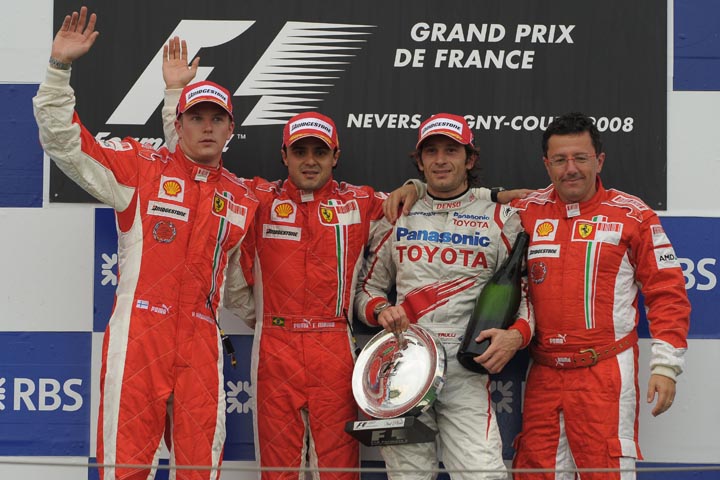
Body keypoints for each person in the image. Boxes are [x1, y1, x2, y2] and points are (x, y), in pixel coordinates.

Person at [33, 7, 258, 480]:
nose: (207, 127)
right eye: (196, 117)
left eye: (217, 119)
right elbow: (66, 145)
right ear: (181, 122)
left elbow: (242, 286)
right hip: (139, 336)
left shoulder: (242, 198)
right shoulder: (141, 170)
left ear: (230, 128)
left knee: (200, 472)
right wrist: (59, 69)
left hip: (201, 344)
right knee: (124, 468)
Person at [509, 112, 691, 479]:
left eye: (581, 158)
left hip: (605, 371)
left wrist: (666, 366)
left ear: (600, 160)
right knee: (535, 472)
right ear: (546, 164)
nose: (570, 169)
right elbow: (464, 207)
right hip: (544, 372)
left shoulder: (634, 215)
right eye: (560, 160)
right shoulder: (524, 212)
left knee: (606, 472)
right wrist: (414, 189)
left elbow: (667, 292)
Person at [354, 113, 535, 480]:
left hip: (466, 363)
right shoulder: (398, 214)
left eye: (451, 151)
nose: (440, 160)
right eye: (431, 151)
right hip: (403, 362)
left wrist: (516, 335)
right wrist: (381, 310)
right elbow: (364, 289)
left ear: (469, 159)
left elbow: (528, 294)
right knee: (409, 478)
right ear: (419, 161)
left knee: (483, 475)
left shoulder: (501, 217)